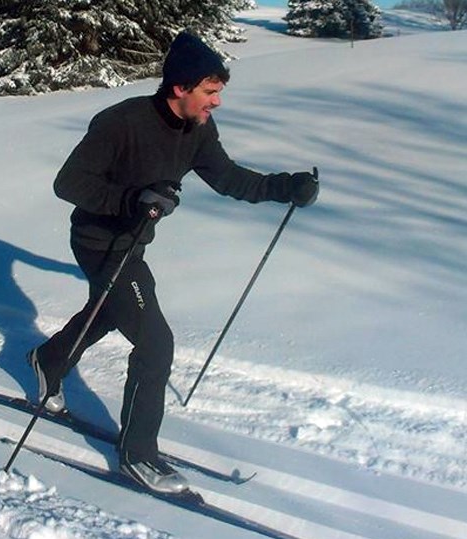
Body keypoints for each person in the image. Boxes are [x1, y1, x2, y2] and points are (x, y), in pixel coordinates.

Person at [27, 31, 319, 495]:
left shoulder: (197, 129)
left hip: (134, 240)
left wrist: (285, 187)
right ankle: (137, 455)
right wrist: (131, 199)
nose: (217, 102)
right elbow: (69, 184)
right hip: (100, 240)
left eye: (219, 91)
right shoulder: (120, 123)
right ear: (180, 87)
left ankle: (48, 358)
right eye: (210, 91)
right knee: (155, 343)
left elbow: (228, 179)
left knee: (107, 312)